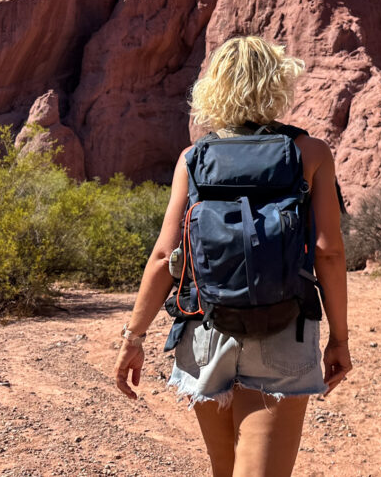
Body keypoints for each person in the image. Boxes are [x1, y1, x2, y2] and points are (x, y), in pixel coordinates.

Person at [113, 35, 352, 477]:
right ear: (278, 84)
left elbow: (166, 254)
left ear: (214, 88)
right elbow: (329, 252)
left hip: (206, 327)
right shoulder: (311, 153)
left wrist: (135, 336)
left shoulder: (193, 158)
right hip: (285, 328)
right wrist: (339, 339)